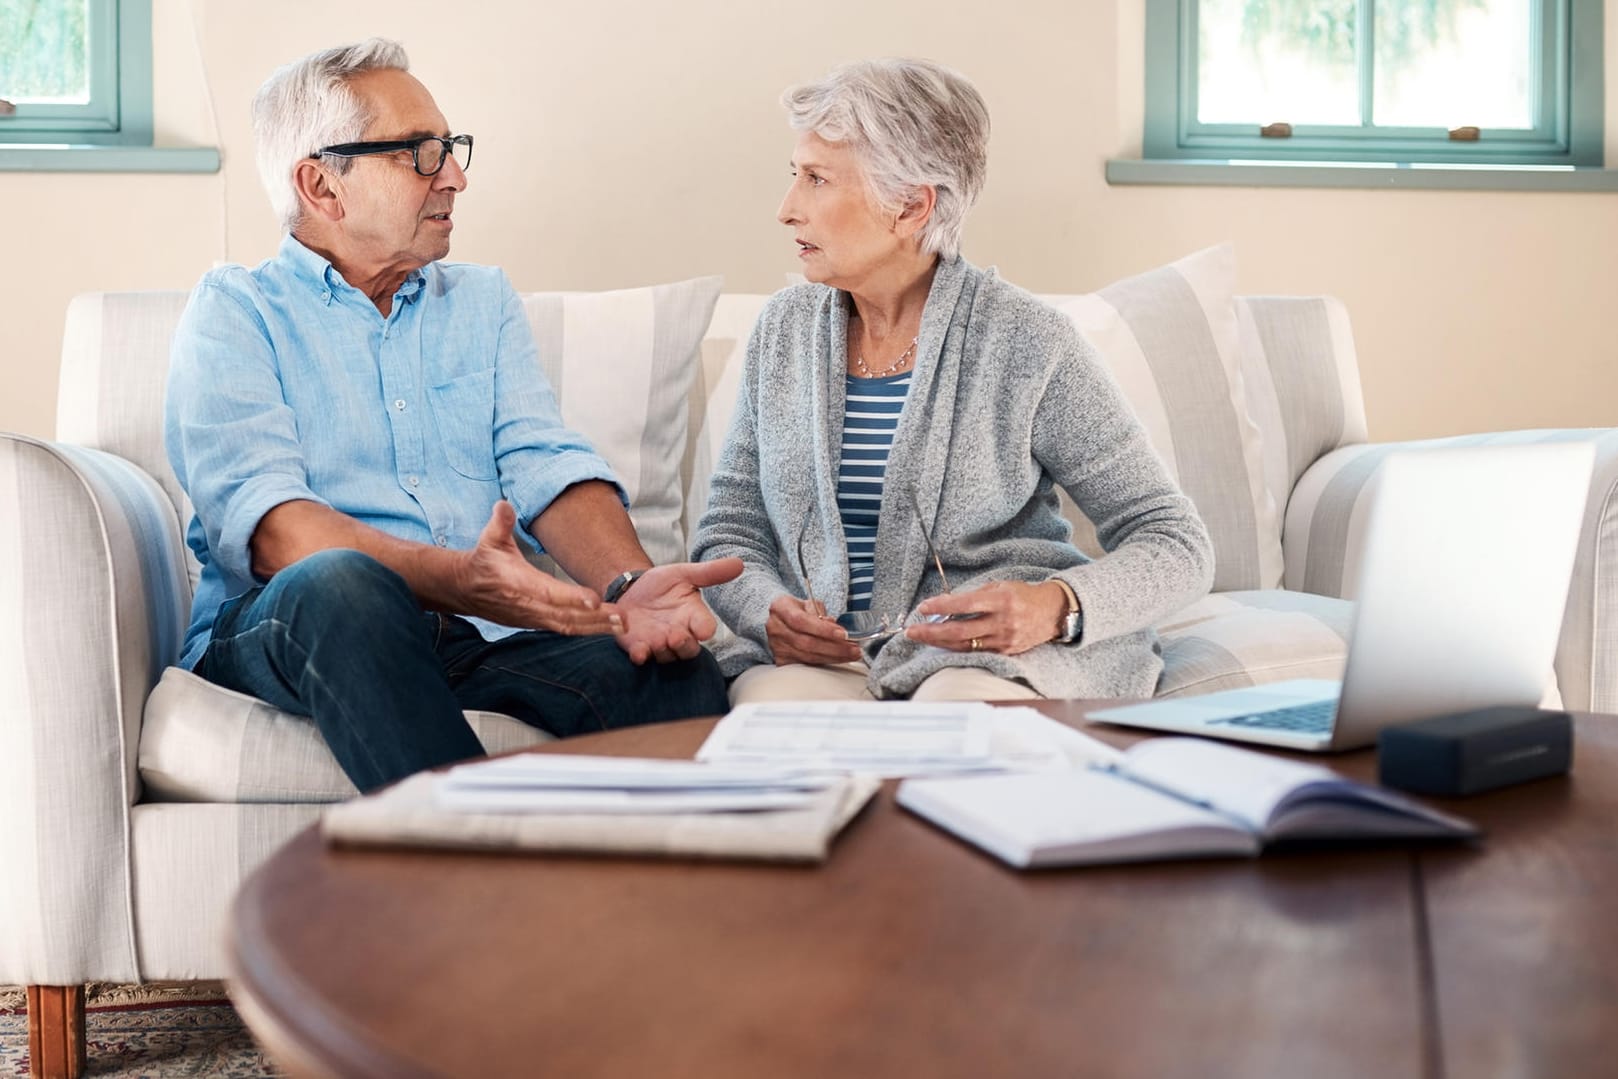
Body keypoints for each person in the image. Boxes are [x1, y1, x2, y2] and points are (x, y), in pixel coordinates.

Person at [164, 39, 740, 792]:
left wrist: (628, 582)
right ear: (321, 186)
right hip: (298, 623)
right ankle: (477, 882)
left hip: (480, 637)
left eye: (452, 149)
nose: (456, 177)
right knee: (343, 583)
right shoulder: (236, 311)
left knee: (670, 673)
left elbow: (546, 464)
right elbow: (278, 536)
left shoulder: (480, 302)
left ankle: (648, 906)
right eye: (422, 154)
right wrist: (459, 579)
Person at [690, 58, 1214, 704]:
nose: (786, 209)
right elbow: (728, 533)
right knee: (773, 712)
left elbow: (1176, 540)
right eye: (793, 176)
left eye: (817, 180)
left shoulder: (1029, 342)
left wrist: (1055, 605)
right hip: (830, 665)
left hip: (988, 663)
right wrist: (767, 610)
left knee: (954, 709)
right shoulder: (782, 334)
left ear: (911, 206)